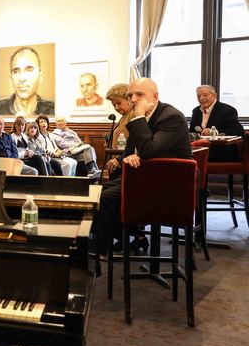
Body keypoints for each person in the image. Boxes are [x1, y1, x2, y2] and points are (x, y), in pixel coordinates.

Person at [94, 78, 192, 258]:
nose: (133, 99)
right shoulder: (140, 116)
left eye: (139, 94)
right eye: (130, 95)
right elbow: (133, 149)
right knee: (96, 191)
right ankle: (120, 238)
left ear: (155, 97)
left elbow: (148, 149)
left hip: (168, 183)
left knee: (105, 197)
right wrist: (127, 158)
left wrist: (138, 118)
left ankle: (103, 248)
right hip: (145, 175)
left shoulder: (171, 117)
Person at [189, 85, 245, 161]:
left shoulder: (227, 110)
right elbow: (192, 131)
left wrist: (213, 132)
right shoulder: (196, 111)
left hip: (221, 150)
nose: (201, 98)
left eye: (205, 95)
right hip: (200, 149)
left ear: (214, 95)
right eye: (199, 96)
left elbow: (238, 131)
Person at [0, 47, 54, 116]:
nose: (22, 78)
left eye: (29, 70)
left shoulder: (52, 110)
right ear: (11, 79)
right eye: (16, 71)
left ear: (41, 76)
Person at [105, 83, 135, 175]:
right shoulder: (124, 116)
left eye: (119, 103)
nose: (116, 108)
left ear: (128, 99)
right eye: (114, 105)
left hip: (126, 162)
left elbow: (134, 142)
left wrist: (119, 159)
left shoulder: (133, 114)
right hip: (118, 162)